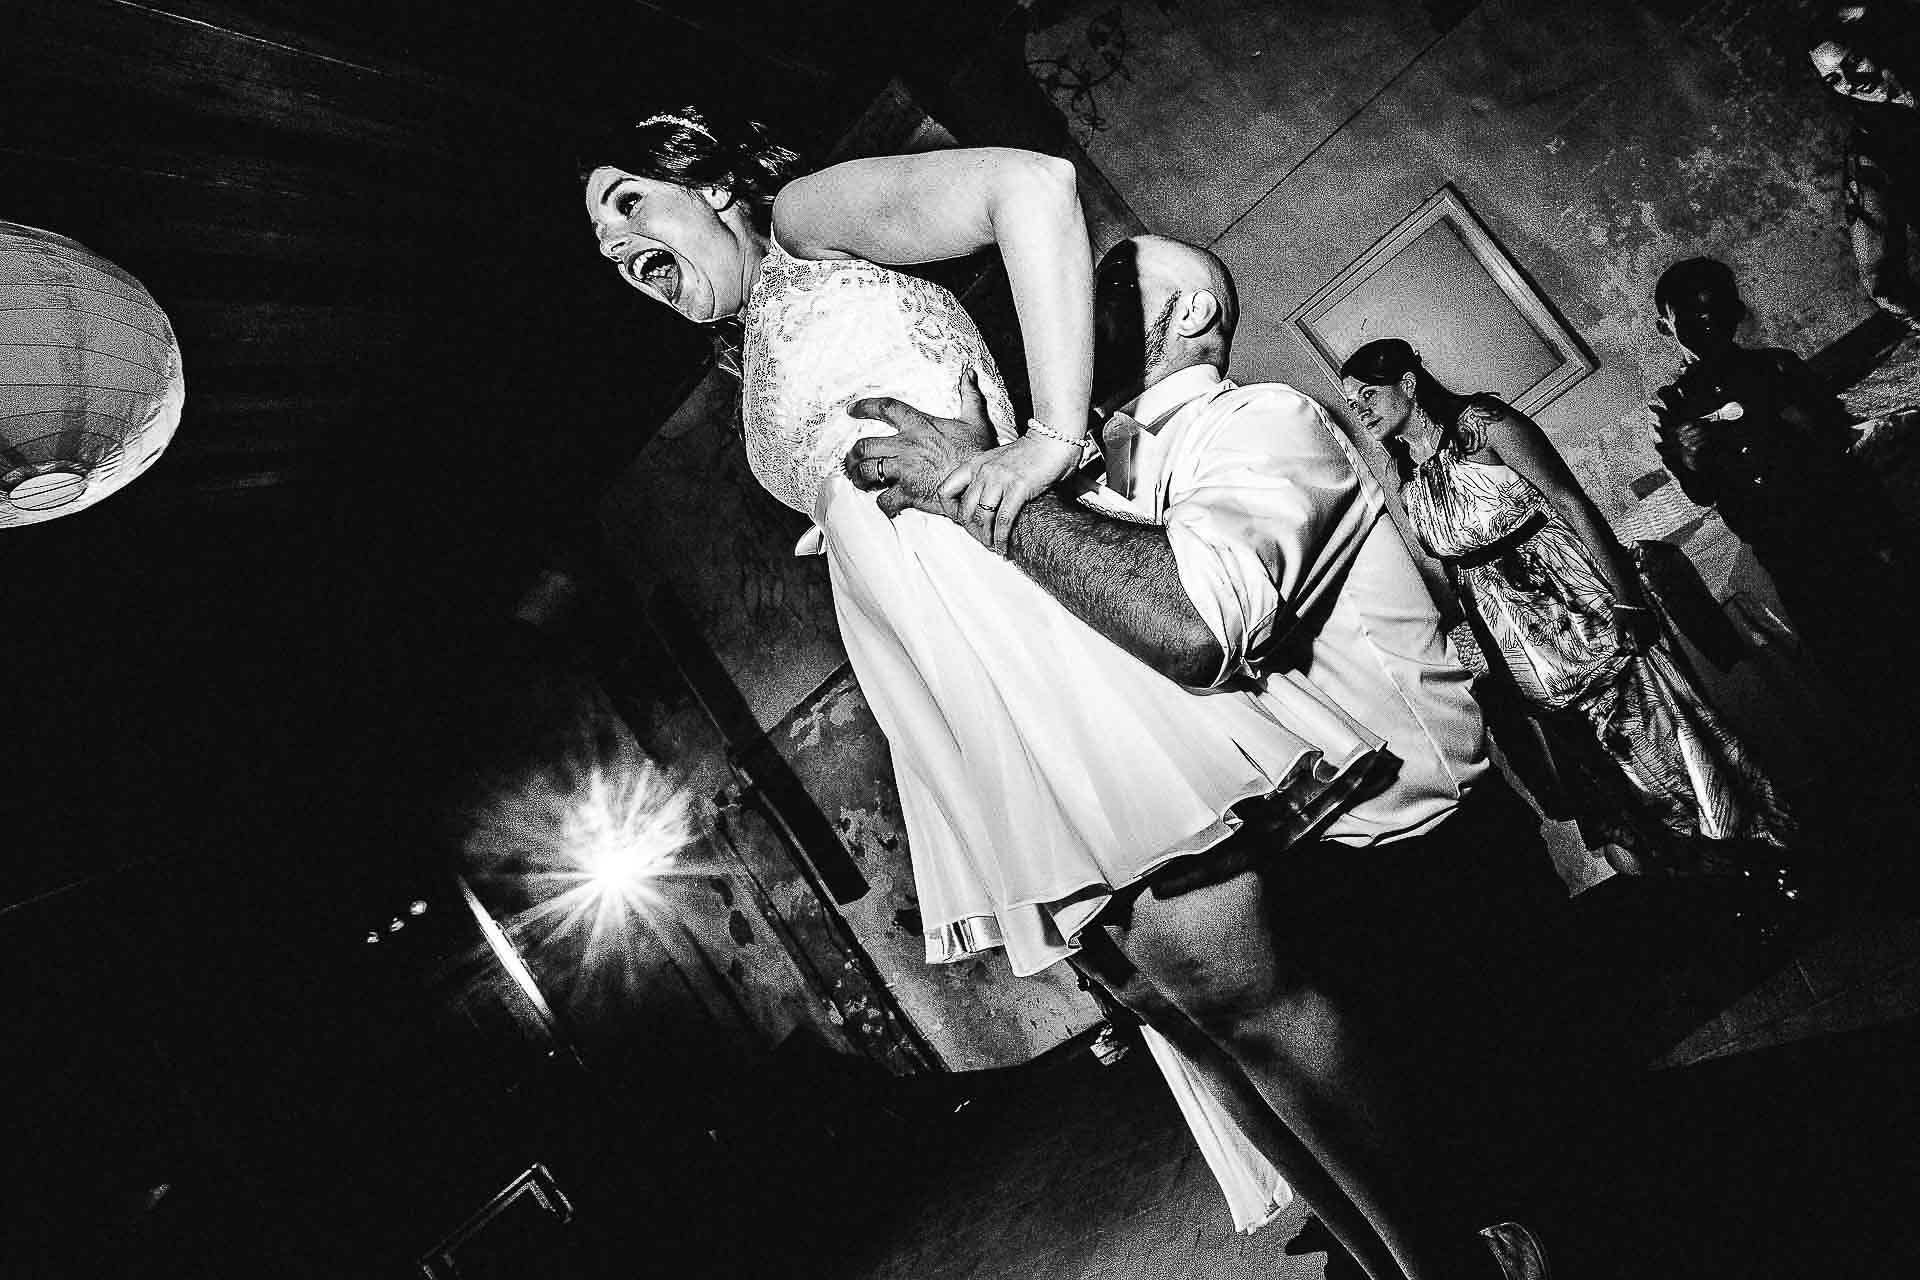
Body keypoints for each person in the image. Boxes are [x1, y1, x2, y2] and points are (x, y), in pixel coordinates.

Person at [846, 234, 1571, 1280]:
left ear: (1192, 311)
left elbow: (1191, 623)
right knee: (1400, 1209)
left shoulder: (1260, 421)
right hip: (1309, 870)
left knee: (1520, 1194)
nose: (1071, 288)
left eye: (1112, 278)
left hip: (1416, 866)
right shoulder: (1100, 473)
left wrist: (978, 485)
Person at [1650, 257, 1920, 733]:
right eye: (1691, 315)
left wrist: (1801, 424)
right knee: (1844, 651)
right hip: (1784, 549)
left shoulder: (1775, 366)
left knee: (1896, 614)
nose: (1707, 322)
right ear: (1666, 327)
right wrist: (1690, 460)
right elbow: (1702, 493)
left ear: (1736, 313)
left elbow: (1838, 445)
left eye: (1716, 309)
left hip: (1844, 519)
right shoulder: (1674, 407)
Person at [1808, 2, 1920, 332]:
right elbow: (1881, 280)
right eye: (1834, 79)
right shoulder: (1874, 152)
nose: (1853, 81)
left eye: (1854, 60)